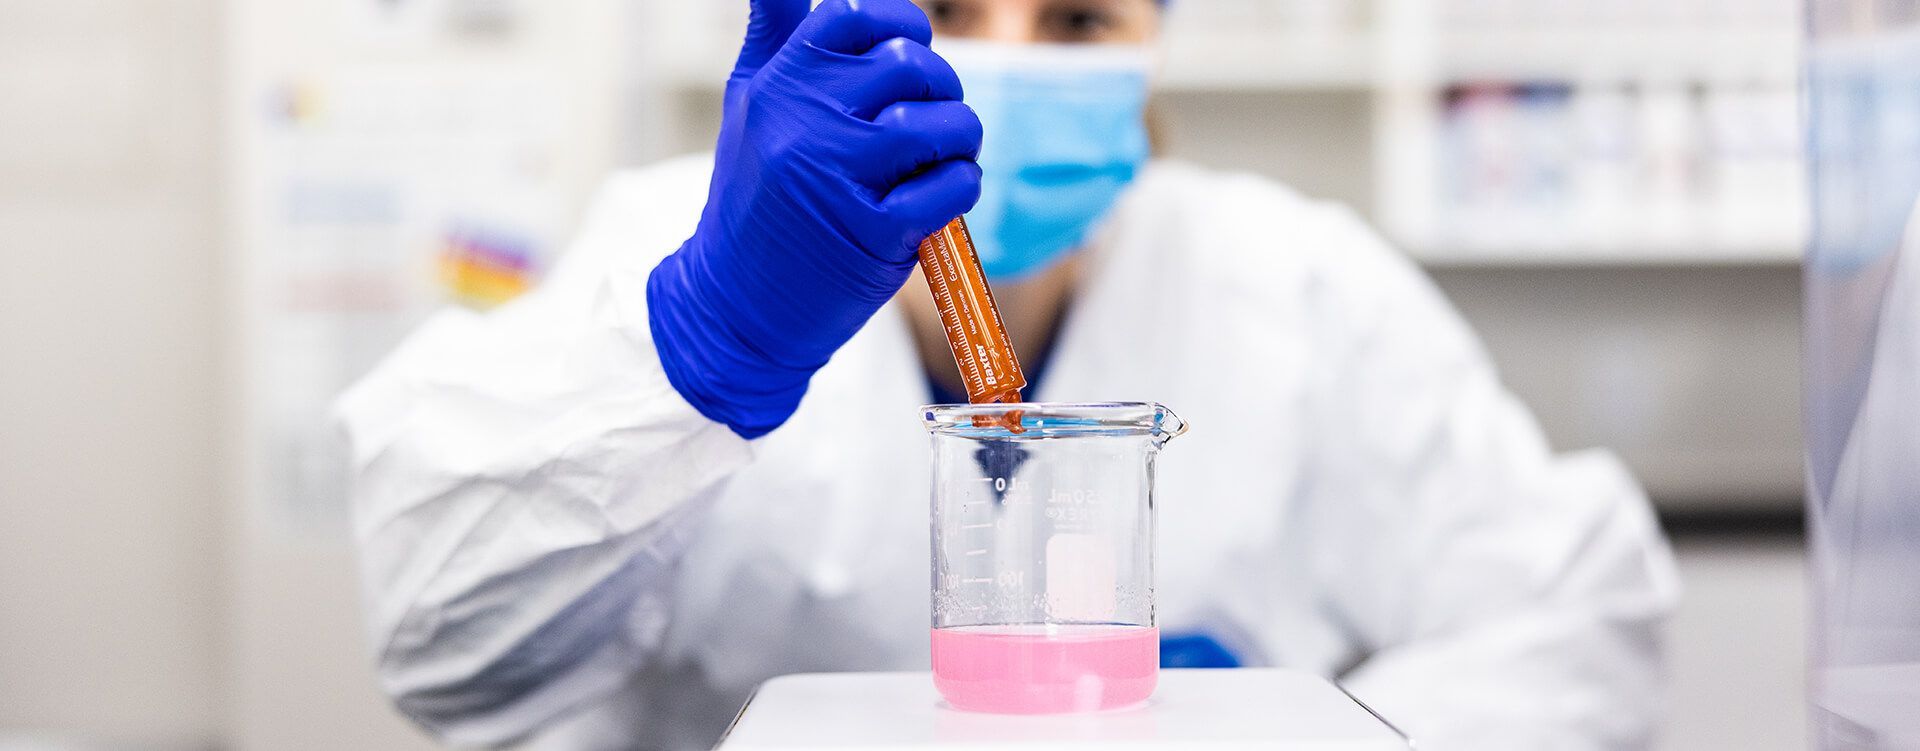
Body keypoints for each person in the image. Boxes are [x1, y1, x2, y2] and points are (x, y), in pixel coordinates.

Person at [336, 0, 1680, 748]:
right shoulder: (675, 246)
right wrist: (706, 339)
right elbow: (442, 654)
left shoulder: (1300, 290)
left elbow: (1578, 620)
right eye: (950, 12)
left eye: (1078, 17)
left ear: (1152, 48)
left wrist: (1298, 733)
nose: (1010, 60)